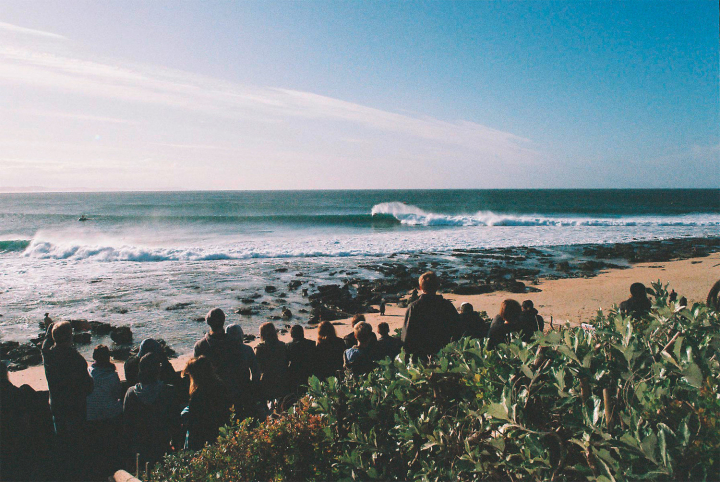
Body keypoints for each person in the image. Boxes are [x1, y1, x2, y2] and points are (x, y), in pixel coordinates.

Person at [42, 320, 94, 480]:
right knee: (78, 445)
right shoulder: (77, 359)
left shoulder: (49, 357)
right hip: (75, 408)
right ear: (70, 337)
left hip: (57, 407)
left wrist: (50, 328)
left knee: (62, 443)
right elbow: (89, 387)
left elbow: (44, 346)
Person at [123, 353, 179, 468]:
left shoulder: (131, 393)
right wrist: (176, 444)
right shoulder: (168, 391)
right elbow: (175, 422)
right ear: (158, 370)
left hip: (139, 445)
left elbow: (127, 424)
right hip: (162, 443)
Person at [194, 309, 253, 412]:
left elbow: (196, 374)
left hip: (212, 397)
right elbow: (242, 370)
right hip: (236, 394)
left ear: (208, 323)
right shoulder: (235, 344)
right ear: (223, 321)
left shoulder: (200, 346)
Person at [401, 271, 460, 359]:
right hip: (444, 355)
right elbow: (457, 330)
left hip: (421, 356)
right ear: (437, 286)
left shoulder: (414, 307)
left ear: (420, 287)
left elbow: (407, 337)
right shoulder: (447, 306)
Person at [86, 345, 123, 480]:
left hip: (91, 416)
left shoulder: (88, 372)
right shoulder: (112, 375)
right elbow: (117, 394)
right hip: (109, 416)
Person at [182, 356, 231, 451]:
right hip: (222, 432)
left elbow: (194, 422)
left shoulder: (197, 395)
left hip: (204, 438)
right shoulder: (220, 387)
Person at [254, 322, 289, 407]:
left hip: (267, 379)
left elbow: (256, 367)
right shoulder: (283, 345)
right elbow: (286, 362)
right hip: (282, 378)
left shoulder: (260, 348)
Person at [286, 325, 316, 395]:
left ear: (291, 335)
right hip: (309, 370)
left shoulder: (288, 346)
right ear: (302, 333)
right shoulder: (311, 344)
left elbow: (286, 361)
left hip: (294, 371)